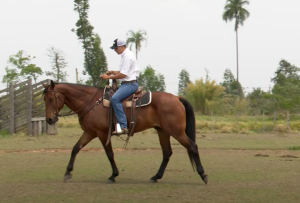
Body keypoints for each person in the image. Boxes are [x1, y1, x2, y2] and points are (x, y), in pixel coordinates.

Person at [100, 38, 139, 135]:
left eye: (116, 48)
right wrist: (112, 72)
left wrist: (108, 77)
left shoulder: (127, 56)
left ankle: (123, 126)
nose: (115, 50)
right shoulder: (124, 55)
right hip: (126, 83)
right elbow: (122, 71)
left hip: (130, 84)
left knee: (114, 99)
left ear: (121, 47)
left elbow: (123, 75)